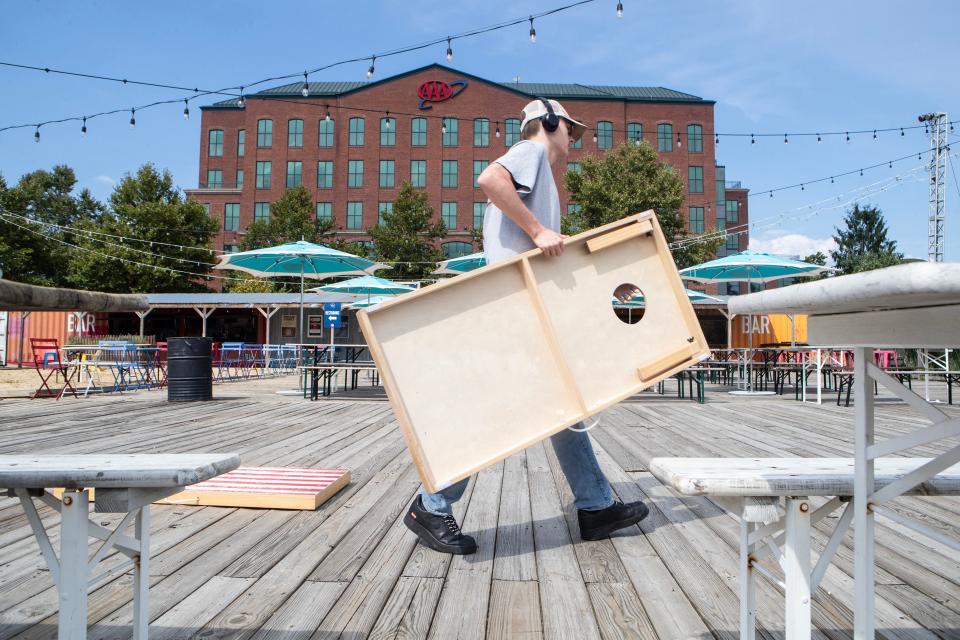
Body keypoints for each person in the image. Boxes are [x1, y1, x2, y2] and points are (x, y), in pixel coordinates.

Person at [402, 98, 649, 555]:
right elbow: (488, 179)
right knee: (497, 412)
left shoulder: (541, 177)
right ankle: (431, 506)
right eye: (570, 130)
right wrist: (538, 231)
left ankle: (596, 506)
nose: (573, 139)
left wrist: (549, 240)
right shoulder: (531, 152)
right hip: (512, 308)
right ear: (551, 124)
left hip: (520, 303)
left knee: (563, 407)